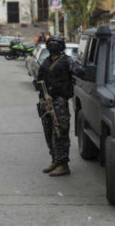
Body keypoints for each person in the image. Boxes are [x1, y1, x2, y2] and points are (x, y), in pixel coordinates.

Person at [37, 36, 84, 176]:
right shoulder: (46, 62)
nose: (52, 45)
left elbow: (80, 72)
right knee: (48, 131)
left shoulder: (67, 61)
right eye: (50, 43)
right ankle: (55, 159)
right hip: (46, 102)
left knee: (60, 132)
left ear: (61, 45)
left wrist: (76, 67)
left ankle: (63, 164)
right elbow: (38, 79)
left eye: (55, 43)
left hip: (59, 102)